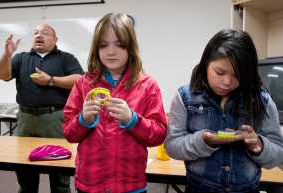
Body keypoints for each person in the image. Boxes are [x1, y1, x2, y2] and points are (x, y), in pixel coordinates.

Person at [165, 29, 283, 193]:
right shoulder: (185, 97)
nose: (227, 82)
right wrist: (204, 140)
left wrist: (259, 145)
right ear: (206, 63)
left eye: (238, 76)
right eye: (219, 72)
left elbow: (279, 154)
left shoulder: (261, 100)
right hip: (199, 188)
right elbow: (172, 147)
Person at [63, 13, 167, 193]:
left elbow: (159, 135)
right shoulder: (83, 84)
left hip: (130, 184)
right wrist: (83, 120)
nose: (111, 51)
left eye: (119, 44)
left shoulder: (148, 85)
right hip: (89, 183)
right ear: (96, 49)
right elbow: (68, 133)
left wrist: (132, 119)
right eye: (103, 45)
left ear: (131, 48)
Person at [0, 24, 84, 193]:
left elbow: (79, 80)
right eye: (36, 32)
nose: (39, 35)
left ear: (55, 39)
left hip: (54, 119)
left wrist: (51, 80)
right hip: (25, 118)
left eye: (45, 33)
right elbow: (2, 75)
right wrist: (7, 55)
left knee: (59, 169)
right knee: (24, 167)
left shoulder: (66, 58)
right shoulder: (21, 58)